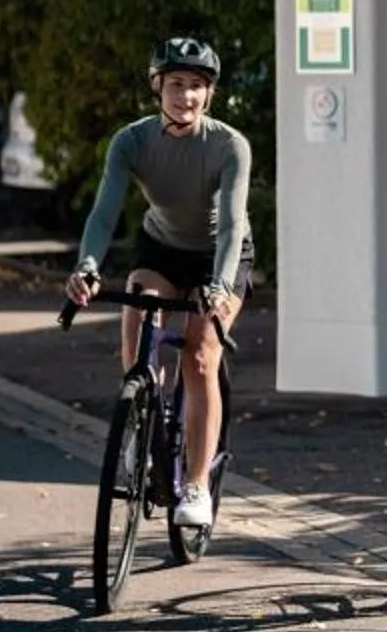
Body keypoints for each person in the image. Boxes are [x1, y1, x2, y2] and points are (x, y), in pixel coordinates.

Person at [65, 35, 253, 531]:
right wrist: (87, 266)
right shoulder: (131, 141)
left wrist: (219, 286)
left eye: (196, 86)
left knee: (200, 354)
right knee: (141, 309)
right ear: (157, 87)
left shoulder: (228, 145)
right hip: (162, 248)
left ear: (209, 93)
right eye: (176, 84)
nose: (186, 95)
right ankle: (140, 418)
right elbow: (104, 213)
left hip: (220, 256)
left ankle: (196, 485)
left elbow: (232, 224)